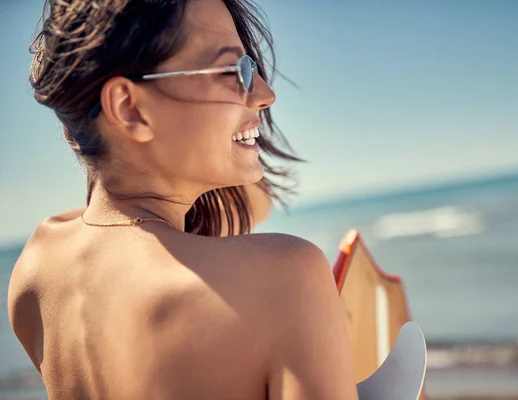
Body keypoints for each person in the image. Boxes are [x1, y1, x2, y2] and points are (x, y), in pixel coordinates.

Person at [7, 0, 359, 398]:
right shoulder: (286, 279)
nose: (265, 93)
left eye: (252, 67)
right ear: (129, 108)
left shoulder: (36, 268)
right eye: (235, 71)